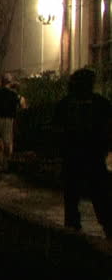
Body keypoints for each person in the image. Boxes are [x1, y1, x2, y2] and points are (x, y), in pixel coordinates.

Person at [52, 68, 111, 239]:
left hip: (79, 157)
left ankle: (74, 231)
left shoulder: (67, 104)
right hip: (89, 157)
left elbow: (57, 131)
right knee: (98, 197)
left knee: (79, 197)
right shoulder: (100, 104)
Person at [0, 73, 24, 170]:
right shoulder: (13, 94)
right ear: (10, 82)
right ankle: (6, 162)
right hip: (8, 119)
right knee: (7, 141)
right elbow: (21, 104)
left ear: (2, 82)